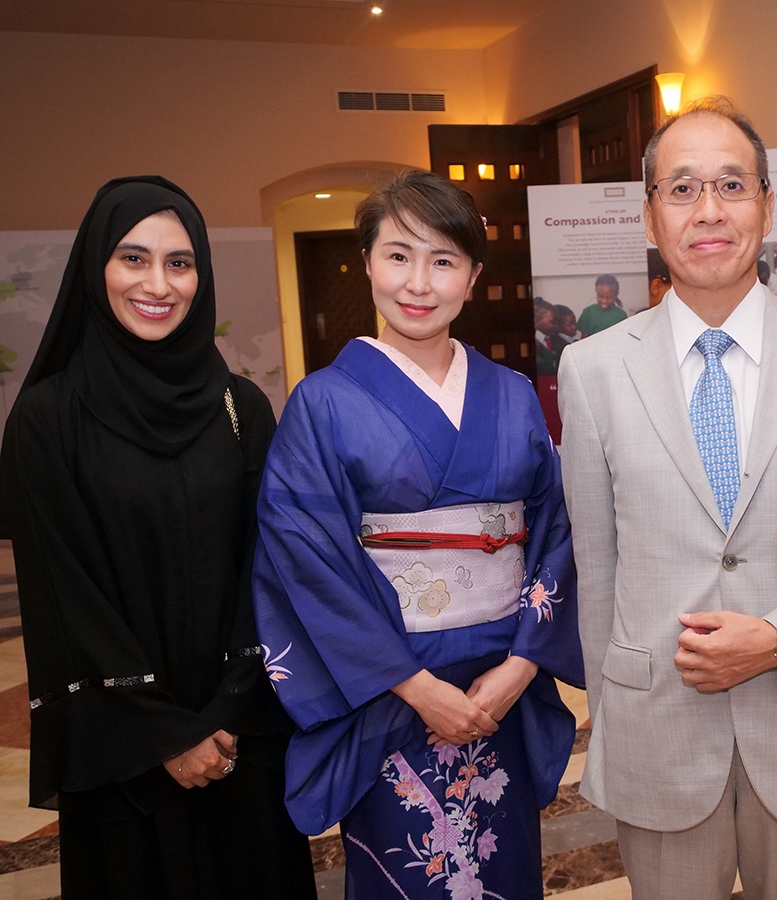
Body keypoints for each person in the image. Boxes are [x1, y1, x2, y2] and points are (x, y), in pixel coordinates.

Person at [558, 96, 777, 900]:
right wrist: (614, 720)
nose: (709, 210)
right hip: (658, 728)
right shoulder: (592, 370)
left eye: (732, 184)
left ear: (767, 203)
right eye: (682, 189)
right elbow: (598, 559)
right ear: (650, 217)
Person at [253, 169, 584, 899]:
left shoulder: (513, 394)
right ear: (366, 260)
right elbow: (305, 561)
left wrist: (524, 666)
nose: (419, 282)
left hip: (502, 679)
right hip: (391, 689)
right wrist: (413, 686)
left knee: (504, 868)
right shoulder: (323, 403)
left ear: (472, 276)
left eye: (444, 260)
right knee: (407, 873)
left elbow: (557, 533)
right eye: (399, 255)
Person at [0, 176, 316, 899]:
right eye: (133, 258)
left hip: (241, 739)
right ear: (95, 269)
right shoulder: (48, 420)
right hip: (124, 754)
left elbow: (268, 567)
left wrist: (226, 711)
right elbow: (64, 593)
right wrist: (168, 734)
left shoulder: (241, 407)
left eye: (179, 263)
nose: (158, 283)